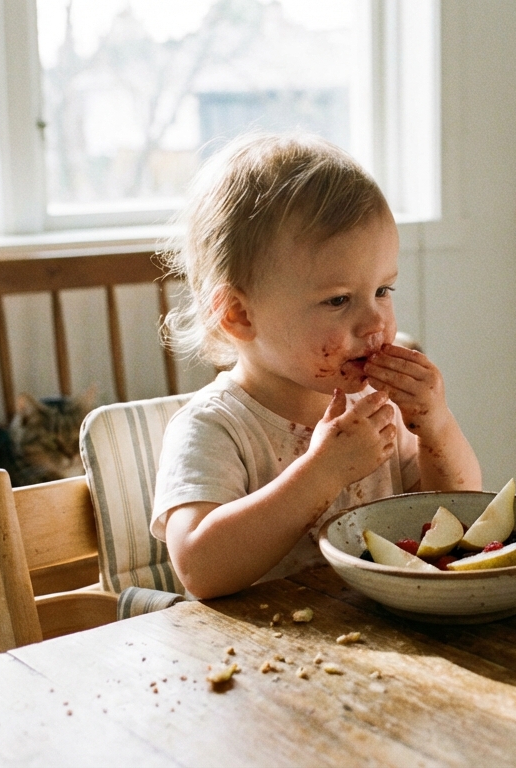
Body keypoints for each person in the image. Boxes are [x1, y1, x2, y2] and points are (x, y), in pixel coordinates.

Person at [155, 134, 482, 599]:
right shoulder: (215, 427)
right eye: (338, 299)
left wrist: (436, 425)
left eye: (383, 291)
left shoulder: (375, 407)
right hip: (263, 653)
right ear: (240, 316)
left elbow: (459, 515)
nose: (374, 320)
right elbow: (199, 569)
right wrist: (322, 473)